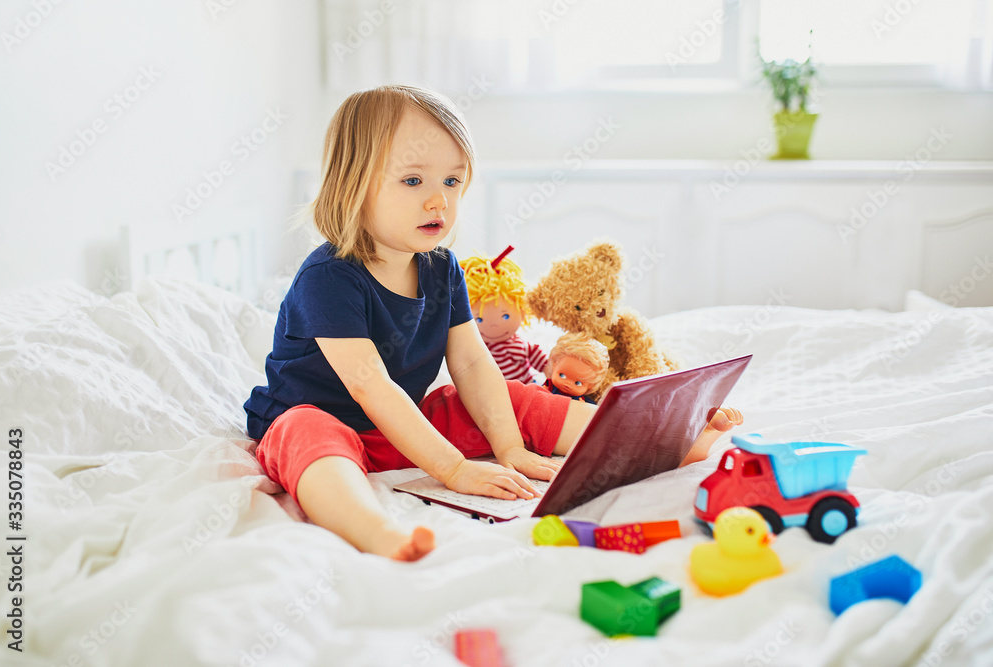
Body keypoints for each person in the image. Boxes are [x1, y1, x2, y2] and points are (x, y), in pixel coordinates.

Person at [244, 85, 741, 562]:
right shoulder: (329, 277)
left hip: (405, 423)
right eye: (413, 181)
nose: (439, 200)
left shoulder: (441, 268)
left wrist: (507, 445)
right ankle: (376, 531)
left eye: (452, 181)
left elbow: (473, 363)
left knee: (513, 395)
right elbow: (371, 387)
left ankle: (659, 438)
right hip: (323, 419)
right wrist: (452, 468)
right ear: (354, 185)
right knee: (307, 434)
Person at [460, 246, 548, 384]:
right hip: (489, 396)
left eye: (505, 316)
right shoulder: (476, 348)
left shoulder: (519, 345)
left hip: (525, 389)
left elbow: (540, 359)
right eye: (479, 319)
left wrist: (552, 370)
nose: (493, 325)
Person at [542, 332, 609, 404]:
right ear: (554, 365)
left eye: (578, 383)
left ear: (591, 385)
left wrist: (583, 408)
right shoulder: (549, 386)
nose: (567, 384)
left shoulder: (581, 401)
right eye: (562, 375)